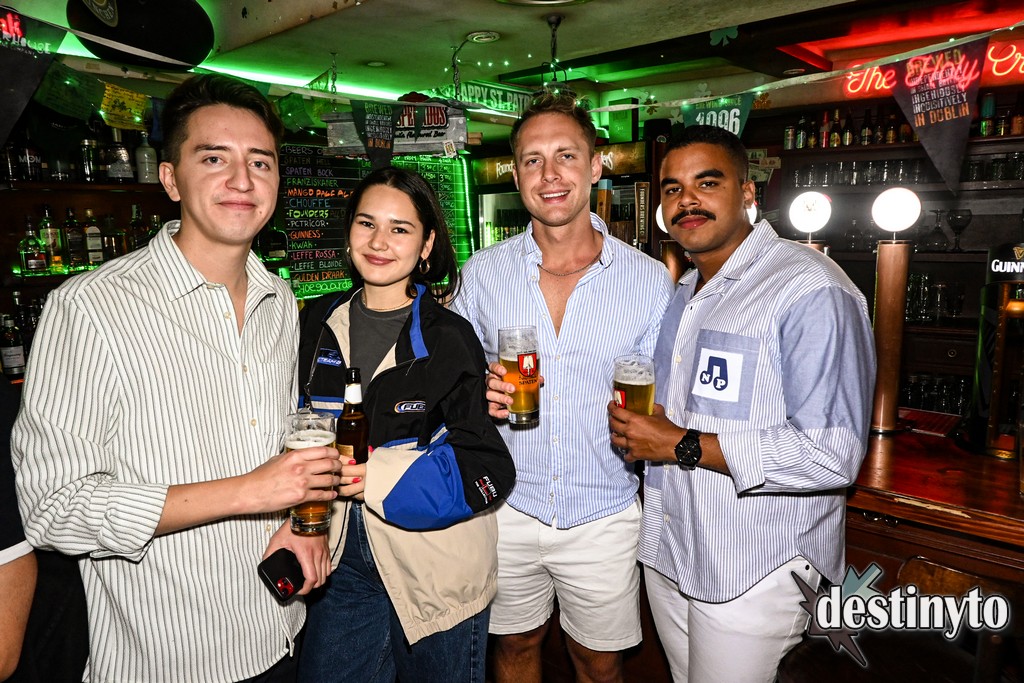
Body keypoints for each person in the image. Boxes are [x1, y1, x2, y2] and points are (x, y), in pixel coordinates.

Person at [12, 73, 343, 683]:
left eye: (260, 162)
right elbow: (52, 508)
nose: (242, 180)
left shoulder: (280, 300)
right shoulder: (89, 307)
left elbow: (289, 450)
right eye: (214, 158)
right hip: (167, 657)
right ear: (170, 179)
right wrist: (247, 491)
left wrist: (304, 523)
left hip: (280, 633)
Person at [608, 124, 876, 682]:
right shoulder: (686, 293)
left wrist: (679, 444)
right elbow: (691, 414)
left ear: (748, 192)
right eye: (673, 189)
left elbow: (831, 455)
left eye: (707, 183)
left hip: (757, 569)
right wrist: (655, 429)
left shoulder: (809, 288)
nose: (687, 200)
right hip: (673, 549)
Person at [451, 91, 674, 683]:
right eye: (533, 159)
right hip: (506, 503)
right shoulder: (483, 272)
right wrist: (477, 395)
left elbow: (668, 399)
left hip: (603, 511)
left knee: (599, 664)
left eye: (566, 156)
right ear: (515, 173)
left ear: (596, 166)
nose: (549, 175)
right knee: (515, 646)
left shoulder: (649, 280)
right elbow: (454, 380)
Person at [296, 166, 515, 683]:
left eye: (399, 229)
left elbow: (487, 465)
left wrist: (374, 475)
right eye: (366, 223)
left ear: (426, 245)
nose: (379, 242)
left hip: (435, 566)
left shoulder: (449, 337)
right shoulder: (315, 322)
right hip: (339, 555)